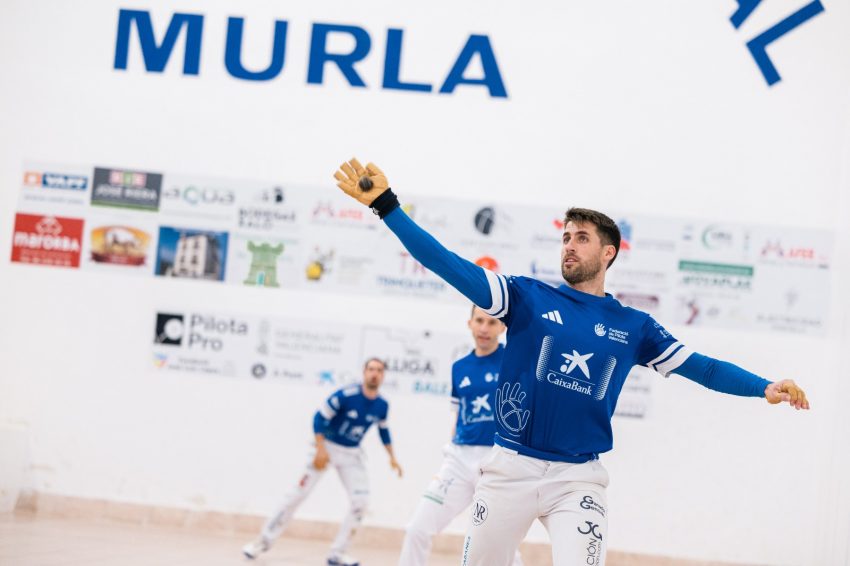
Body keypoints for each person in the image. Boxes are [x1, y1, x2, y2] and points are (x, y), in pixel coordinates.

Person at [333, 158, 810, 566]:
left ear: (608, 252)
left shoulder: (635, 327)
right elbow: (446, 263)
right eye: (565, 237)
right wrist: (386, 206)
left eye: (581, 238)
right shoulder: (525, 297)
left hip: (577, 478)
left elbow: (702, 367)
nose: (569, 245)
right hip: (509, 469)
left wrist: (763, 386)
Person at [243, 357, 403, 566]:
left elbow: (383, 430)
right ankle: (261, 542)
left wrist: (392, 457)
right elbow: (319, 418)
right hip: (326, 448)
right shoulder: (346, 395)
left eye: (379, 370)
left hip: (352, 454)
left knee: (361, 502)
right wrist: (320, 449)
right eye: (371, 369)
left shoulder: (382, 405)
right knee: (297, 494)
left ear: (383, 375)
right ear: (364, 372)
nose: (375, 374)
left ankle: (337, 553)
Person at [398, 306, 522, 566]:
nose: (484, 328)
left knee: (498, 542)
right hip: (458, 460)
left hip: (497, 462)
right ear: (470, 323)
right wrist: (452, 449)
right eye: (479, 321)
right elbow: (458, 415)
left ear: (502, 327)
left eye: (492, 323)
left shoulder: (514, 360)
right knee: (417, 529)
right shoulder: (459, 367)